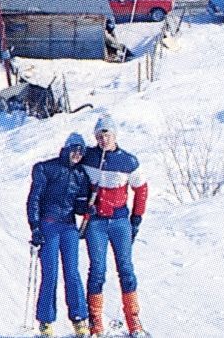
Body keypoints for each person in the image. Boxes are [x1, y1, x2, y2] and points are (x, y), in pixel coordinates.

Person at [82, 114, 149, 338]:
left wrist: (136, 219)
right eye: (99, 136)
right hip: (96, 222)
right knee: (97, 270)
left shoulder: (128, 161)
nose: (103, 140)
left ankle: (134, 321)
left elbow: (141, 190)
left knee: (126, 269)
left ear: (115, 135)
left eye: (107, 135)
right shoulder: (88, 157)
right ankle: (95, 321)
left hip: (120, 221)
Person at [27, 133, 92, 337]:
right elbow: (34, 199)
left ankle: (79, 318)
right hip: (49, 223)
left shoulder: (81, 175)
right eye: (74, 150)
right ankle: (45, 321)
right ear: (66, 149)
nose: (77, 154)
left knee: (72, 272)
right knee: (51, 272)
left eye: (81, 151)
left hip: (69, 226)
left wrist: (87, 208)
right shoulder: (47, 168)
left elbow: (79, 206)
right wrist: (35, 227)